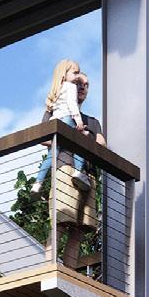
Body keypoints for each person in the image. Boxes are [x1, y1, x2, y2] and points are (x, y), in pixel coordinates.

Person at [45, 58, 104, 274]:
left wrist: (86, 136)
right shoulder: (55, 111)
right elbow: (44, 137)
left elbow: (101, 145)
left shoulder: (92, 120)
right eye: (79, 82)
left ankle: (69, 273)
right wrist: (76, 134)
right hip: (65, 168)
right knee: (61, 222)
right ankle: (49, 268)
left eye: (86, 85)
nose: (82, 87)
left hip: (88, 175)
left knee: (79, 228)